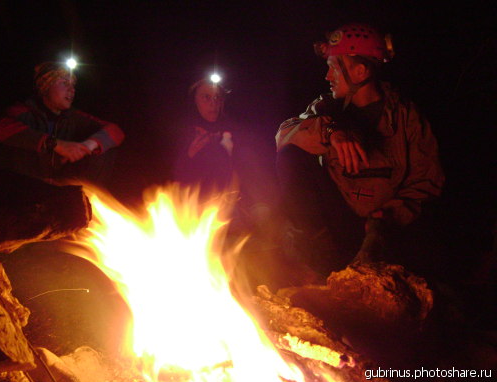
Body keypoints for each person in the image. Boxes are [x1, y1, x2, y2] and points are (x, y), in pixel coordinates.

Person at [275, 23, 445, 277]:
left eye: (334, 68)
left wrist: (386, 217)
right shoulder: (327, 107)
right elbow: (284, 134)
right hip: (339, 225)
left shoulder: (404, 116)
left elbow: (427, 182)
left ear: (360, 71)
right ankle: (319, 259)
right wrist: (332, 132)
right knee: (291, 155)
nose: (327, 77)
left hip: (386, 226)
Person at [0, 61, 125, 186]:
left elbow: (115, 131)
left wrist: (87, 146)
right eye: (65, 83)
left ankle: (88, 198)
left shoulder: (72, 117)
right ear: (45, 87)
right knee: (17, 142)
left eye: (73, 85)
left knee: (105, 147)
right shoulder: (23, 112)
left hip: (60, 188)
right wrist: (55, 144)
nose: (72, 90)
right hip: (24, 186)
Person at [173, 77, 278, 234]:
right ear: (194, 100)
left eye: (217, 97)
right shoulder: (183, 133)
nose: (213, 103)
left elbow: (251, 168)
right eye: (206, 97)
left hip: (237, 204)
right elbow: (174, 182)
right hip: (198, 211)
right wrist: (190, 156)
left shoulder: (233, 130)